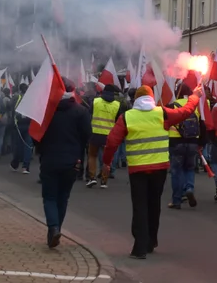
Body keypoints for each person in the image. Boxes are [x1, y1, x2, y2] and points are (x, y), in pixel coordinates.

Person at [102, 84, 202, 258]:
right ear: (151, 97)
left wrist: (106, 163)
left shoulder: (127, 117)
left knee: (140, 205)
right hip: (159, 168)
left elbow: (111, 142)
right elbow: (186, 111)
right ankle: (151, 241)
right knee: (154, 204)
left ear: (135, 100)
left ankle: (140, 247)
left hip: (137, 169)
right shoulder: (162, 113)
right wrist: (195, 96)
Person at [34, 79, 91, 248]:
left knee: (50, 197)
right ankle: (57, 227)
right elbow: (87, 135)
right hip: (71, 161)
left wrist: (41, 149)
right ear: (72, 90)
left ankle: (53, 227)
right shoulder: (81, 111)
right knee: (63, 197)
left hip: (49, 159)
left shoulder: (46, 111)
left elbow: (37, 135)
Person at [167, 82, 201, 208]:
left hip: (176, 142)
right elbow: (201, 124)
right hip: (192, 141)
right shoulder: (194, 106)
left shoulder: (172, 105)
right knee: (190, 168)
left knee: (177, 171)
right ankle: (189, 188)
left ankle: (176, 200)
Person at [86, 80, 123, 186]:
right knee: (107, 159)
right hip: (109, 135)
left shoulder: (95, 101)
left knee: (92, 156)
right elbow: (118, 121)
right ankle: (104, 180)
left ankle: (92, 178)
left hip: (95, 133)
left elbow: (90, 115)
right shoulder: (117, 104)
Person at [9, 81, 34, 174]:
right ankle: (25, 167)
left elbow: (10, 107)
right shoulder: (31, 98)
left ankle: (15, 164)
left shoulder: (16, 97)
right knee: (28, 146)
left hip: (18, 124)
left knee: (18, 145)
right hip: (29, 124)